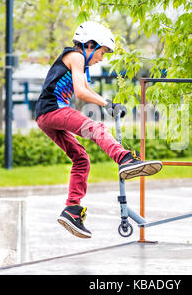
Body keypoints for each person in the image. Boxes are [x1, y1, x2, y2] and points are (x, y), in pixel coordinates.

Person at [35, 21, 163, 239]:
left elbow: (85, 88)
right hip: (54, 109)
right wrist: (107, 104)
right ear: (90, 44)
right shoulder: (75, 56)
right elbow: (80, 92)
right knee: (94, 128)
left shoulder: (80, 64)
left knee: (81, 158)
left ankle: (72, 209)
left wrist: (107, 103)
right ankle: (124, 159)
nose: (102, 58)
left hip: (44, 116)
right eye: (102, 52)